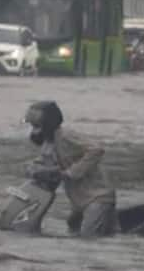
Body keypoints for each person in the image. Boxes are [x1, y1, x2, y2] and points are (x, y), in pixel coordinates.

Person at [26, 100, 118, 238]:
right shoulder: (49, 144)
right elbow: (45, 162)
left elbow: (97, 149)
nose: (34, 130)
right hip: (79, 200)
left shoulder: (66, 135)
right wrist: (33, 169)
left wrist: (74, 171)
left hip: (97, 197)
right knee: (73, 228)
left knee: (88, 238)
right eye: (32, 126)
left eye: (37, 126)